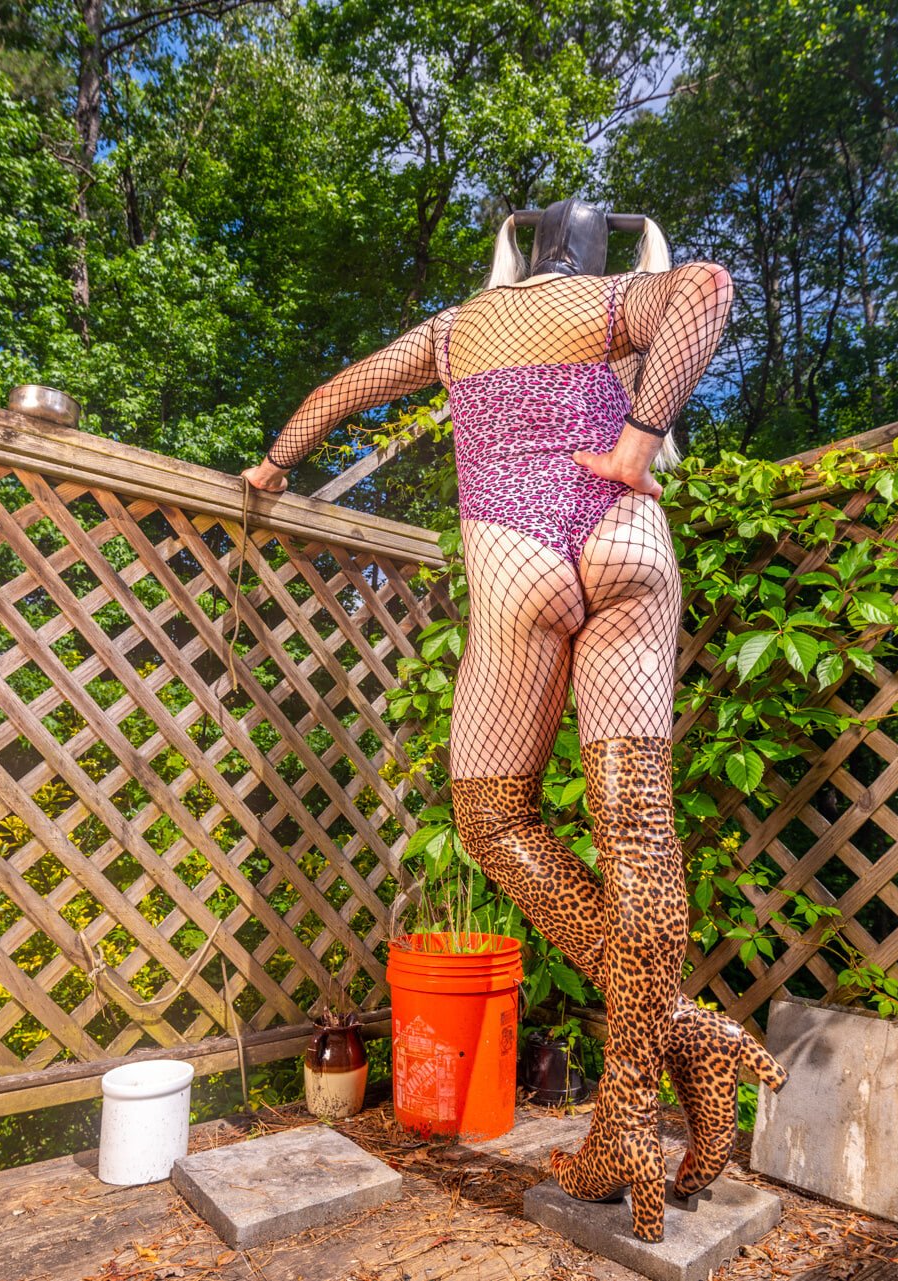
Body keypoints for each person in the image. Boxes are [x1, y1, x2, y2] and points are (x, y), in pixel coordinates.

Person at [243, 198, 785, 1242]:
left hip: (515, 552)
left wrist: (272, 468)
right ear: (598, 250)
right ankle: (668, 1054)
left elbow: (338, 392)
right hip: (628, 535)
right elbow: (706, 290)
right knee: (637, 827)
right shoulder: (615, 299)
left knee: (492, 819)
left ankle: (635, 1105)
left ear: (521, 251)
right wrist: (637, 444)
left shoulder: (460, 328)